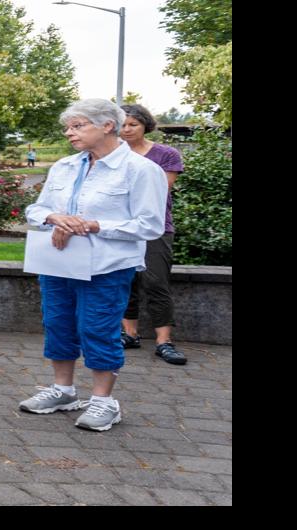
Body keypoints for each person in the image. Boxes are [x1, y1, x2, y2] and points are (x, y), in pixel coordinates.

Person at [19, 99, 167, 432]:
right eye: (67, 127)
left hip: (107, 266)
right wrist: (54, 217)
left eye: (78, 126)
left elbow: (150, 225)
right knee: (57, 324)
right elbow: (36, 210)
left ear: (107, 126)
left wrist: (95, 225)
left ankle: (103, 401)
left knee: (97, 328)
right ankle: (63, 390)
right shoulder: (65, 166)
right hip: (58, 262)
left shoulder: (141, 170)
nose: (69, 133)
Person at [119, 103, 187, 365]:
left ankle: (164, 341)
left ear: (145, 125)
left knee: (156, 282)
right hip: (119, 228)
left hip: (154, 228)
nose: (127, 129)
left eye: (133, 124)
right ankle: (130, 334)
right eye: (122, 124)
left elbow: (159, 189)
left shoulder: (166, 154)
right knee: (125, 282)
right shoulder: (111, 155)